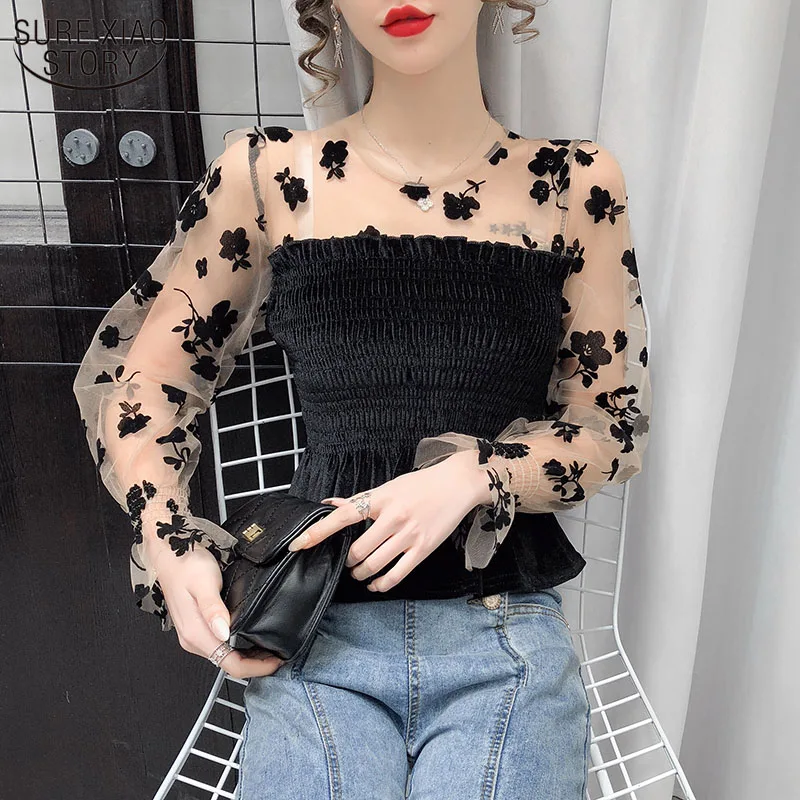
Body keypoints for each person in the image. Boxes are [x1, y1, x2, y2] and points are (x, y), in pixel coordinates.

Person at [72, 1, 652, 796]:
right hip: (316, 629)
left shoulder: (573, 184)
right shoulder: (268, 177)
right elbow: (145, 388)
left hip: (501, 635)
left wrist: (475, 474)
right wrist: (172, 546)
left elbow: (608, 425)